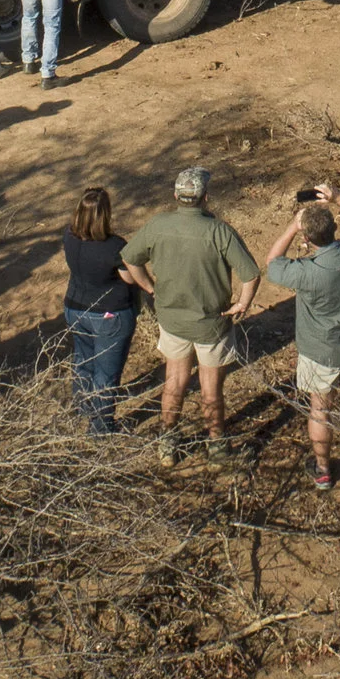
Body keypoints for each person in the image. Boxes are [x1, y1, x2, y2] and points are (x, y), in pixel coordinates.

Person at [120, 166, 260, 466]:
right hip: (212, 324)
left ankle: (168, 443)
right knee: (211, 388)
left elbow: (130, 259)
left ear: (176, 196)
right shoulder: (219, 231)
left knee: (175, 380)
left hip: (172, 321)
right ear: (205, 197)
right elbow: (251, 275)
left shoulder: (158, 225)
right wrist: (242, 304)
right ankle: (217, 446)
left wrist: (150, 288)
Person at [264, 182, 340, 493]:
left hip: (319, 350)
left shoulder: (305, 271)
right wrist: (338, 197)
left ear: (307, 239)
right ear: (335, 229)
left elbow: (272, 263)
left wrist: (293, 226)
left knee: (320, 407)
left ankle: (323, 470)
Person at [60, 186, 138, 434]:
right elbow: (129, 278)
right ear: (105, 214)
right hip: (108, 315)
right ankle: (101, 427)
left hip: (74, 308)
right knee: (106, 372)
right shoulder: (115, 246)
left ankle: (82, 409)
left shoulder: (69, 237)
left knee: (83, 362)